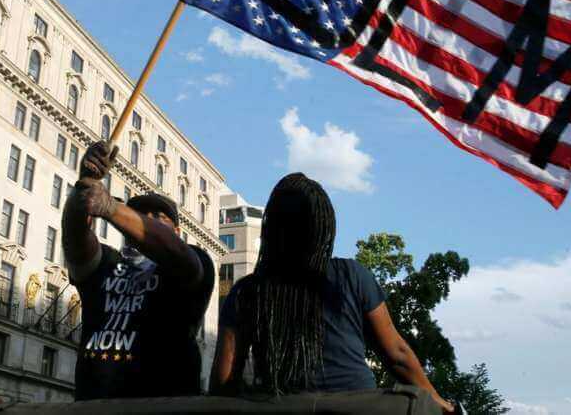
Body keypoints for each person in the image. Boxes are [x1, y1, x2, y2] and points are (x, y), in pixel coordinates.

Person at [211, 173, 458, 413]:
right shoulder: (352, 275)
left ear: (271, 229)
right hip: (360, 407)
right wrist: (440, 403)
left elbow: (223, 382)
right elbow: (397, 356)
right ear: (324, 228)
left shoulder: (245, 293)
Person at [62, 141, 215, 401]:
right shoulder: (105, 263)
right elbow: (75, 239)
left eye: (158, 216)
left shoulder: (193, 261)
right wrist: (85, 185)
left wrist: (110, 207)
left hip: (161, 408)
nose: (147, 220)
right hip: (94, 407)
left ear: (177, 232)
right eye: (140, 214)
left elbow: (177, 255)